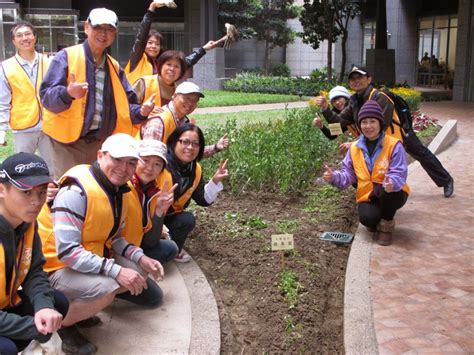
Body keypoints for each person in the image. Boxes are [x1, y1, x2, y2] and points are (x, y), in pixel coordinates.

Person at [37, 133, 164, 354]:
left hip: (82, 260)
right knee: (109, 287)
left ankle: (77, 310)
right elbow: (67, 252)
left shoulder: (119, 191)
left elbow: (115, 238)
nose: (124, 168)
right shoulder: (76, 192)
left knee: (137, 271)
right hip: (52, 268)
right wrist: (115, 271)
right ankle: (62, 325)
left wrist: (141, 257)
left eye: (131, 162)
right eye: (117, 159)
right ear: (100, 156)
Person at [39, 8, 156, 179]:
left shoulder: (114, 67)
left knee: (96, 189)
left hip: (100, 143)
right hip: (66, 143)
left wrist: (141, 112)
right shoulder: (66, 56)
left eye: (109, 29)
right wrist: (67, 93)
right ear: (86, 27)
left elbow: (127, 105)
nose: (103, 33)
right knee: (67, 187)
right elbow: (47, 97)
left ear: (114, 34)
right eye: (98, 27)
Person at [315, 66, 454, 198]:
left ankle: (446, 180)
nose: (356, 81)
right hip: (376, 140)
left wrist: (356, 142)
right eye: (352, 79)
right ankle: (377, 195)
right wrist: (325, 108)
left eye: (360, 77)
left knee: (423, 155)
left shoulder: (380, 97)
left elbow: (383, 125)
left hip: (400, 134)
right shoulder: (354, 101)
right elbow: (338, 123)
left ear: (369, 79)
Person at [0, 152, 68, 355]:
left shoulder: (27, 222)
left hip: (5, 303)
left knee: (56, 303)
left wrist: (44, 307)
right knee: (6, 349)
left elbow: (34, 269)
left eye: (41, 192)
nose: (36, 202)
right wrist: (34, 329)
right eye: (26, 193)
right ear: (1, 189)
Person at [323, 101, 410, 246]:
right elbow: (348, 174)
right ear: (359, 125)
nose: (368, 126)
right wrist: (334, 177)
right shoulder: (354, 148)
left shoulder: (394, 145)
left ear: (380, 123)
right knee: (367, 219)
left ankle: (386, 226)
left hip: (391, 191)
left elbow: (399, 171)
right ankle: (376, 217)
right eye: (364, 122)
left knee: (389, 194)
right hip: (368, 194)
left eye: (372, 121)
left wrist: (392, 183)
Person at [158, 124, 229, 262]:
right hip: (148, 219)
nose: (190, 147)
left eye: (195, 144)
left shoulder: (194, 169)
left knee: (187, 219)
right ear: (173, 142)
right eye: (184, 142)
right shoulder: (160, 165)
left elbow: (203, 199)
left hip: (168, 217)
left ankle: (171, 249)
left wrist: (214, 182)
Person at [125, 0, 218, 85]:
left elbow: (184, 62)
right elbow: (141, 36)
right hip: (134, 102)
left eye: (157, 44)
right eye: (150, 42)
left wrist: (204, 49)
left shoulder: (161, 63)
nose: (153, 46)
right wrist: (152, 7)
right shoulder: (137, 58)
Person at [0, 22, 53, 170]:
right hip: (23, 127)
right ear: (13, 41)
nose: (25, 38)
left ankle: (52, 193)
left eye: (28, 34)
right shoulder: (6, 67)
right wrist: (1, 129)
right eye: (19, 35)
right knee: (23, 168)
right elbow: (3, 101)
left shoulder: (49, 61)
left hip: (49, 125)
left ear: (35, 37)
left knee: (52, 168)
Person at [123, 139, 179, 264]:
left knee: (170, 248)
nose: (149, 168)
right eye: (145, 160)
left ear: (161, 170)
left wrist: (159, 212)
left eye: (157, 164)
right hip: (117, 247)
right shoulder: (123, 184)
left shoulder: (154, 191)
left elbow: (150, 242)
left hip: (136, 244)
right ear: (135, 161)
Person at [141, 81, 229, 157]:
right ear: (174, 96)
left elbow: (188, 153)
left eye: (195, 101)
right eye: (186, 98)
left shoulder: (184, 122)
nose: (190, 103)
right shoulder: (159, 121)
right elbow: (149, 158)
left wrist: (216, 147)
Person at [313, 85, 358, 154]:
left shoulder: (357, 110)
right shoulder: (340, 117)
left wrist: (354, 144)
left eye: (339, 98)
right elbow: (332, 135)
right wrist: (321, 126)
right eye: (334, 101)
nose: (337, 102)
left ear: (346, 98)